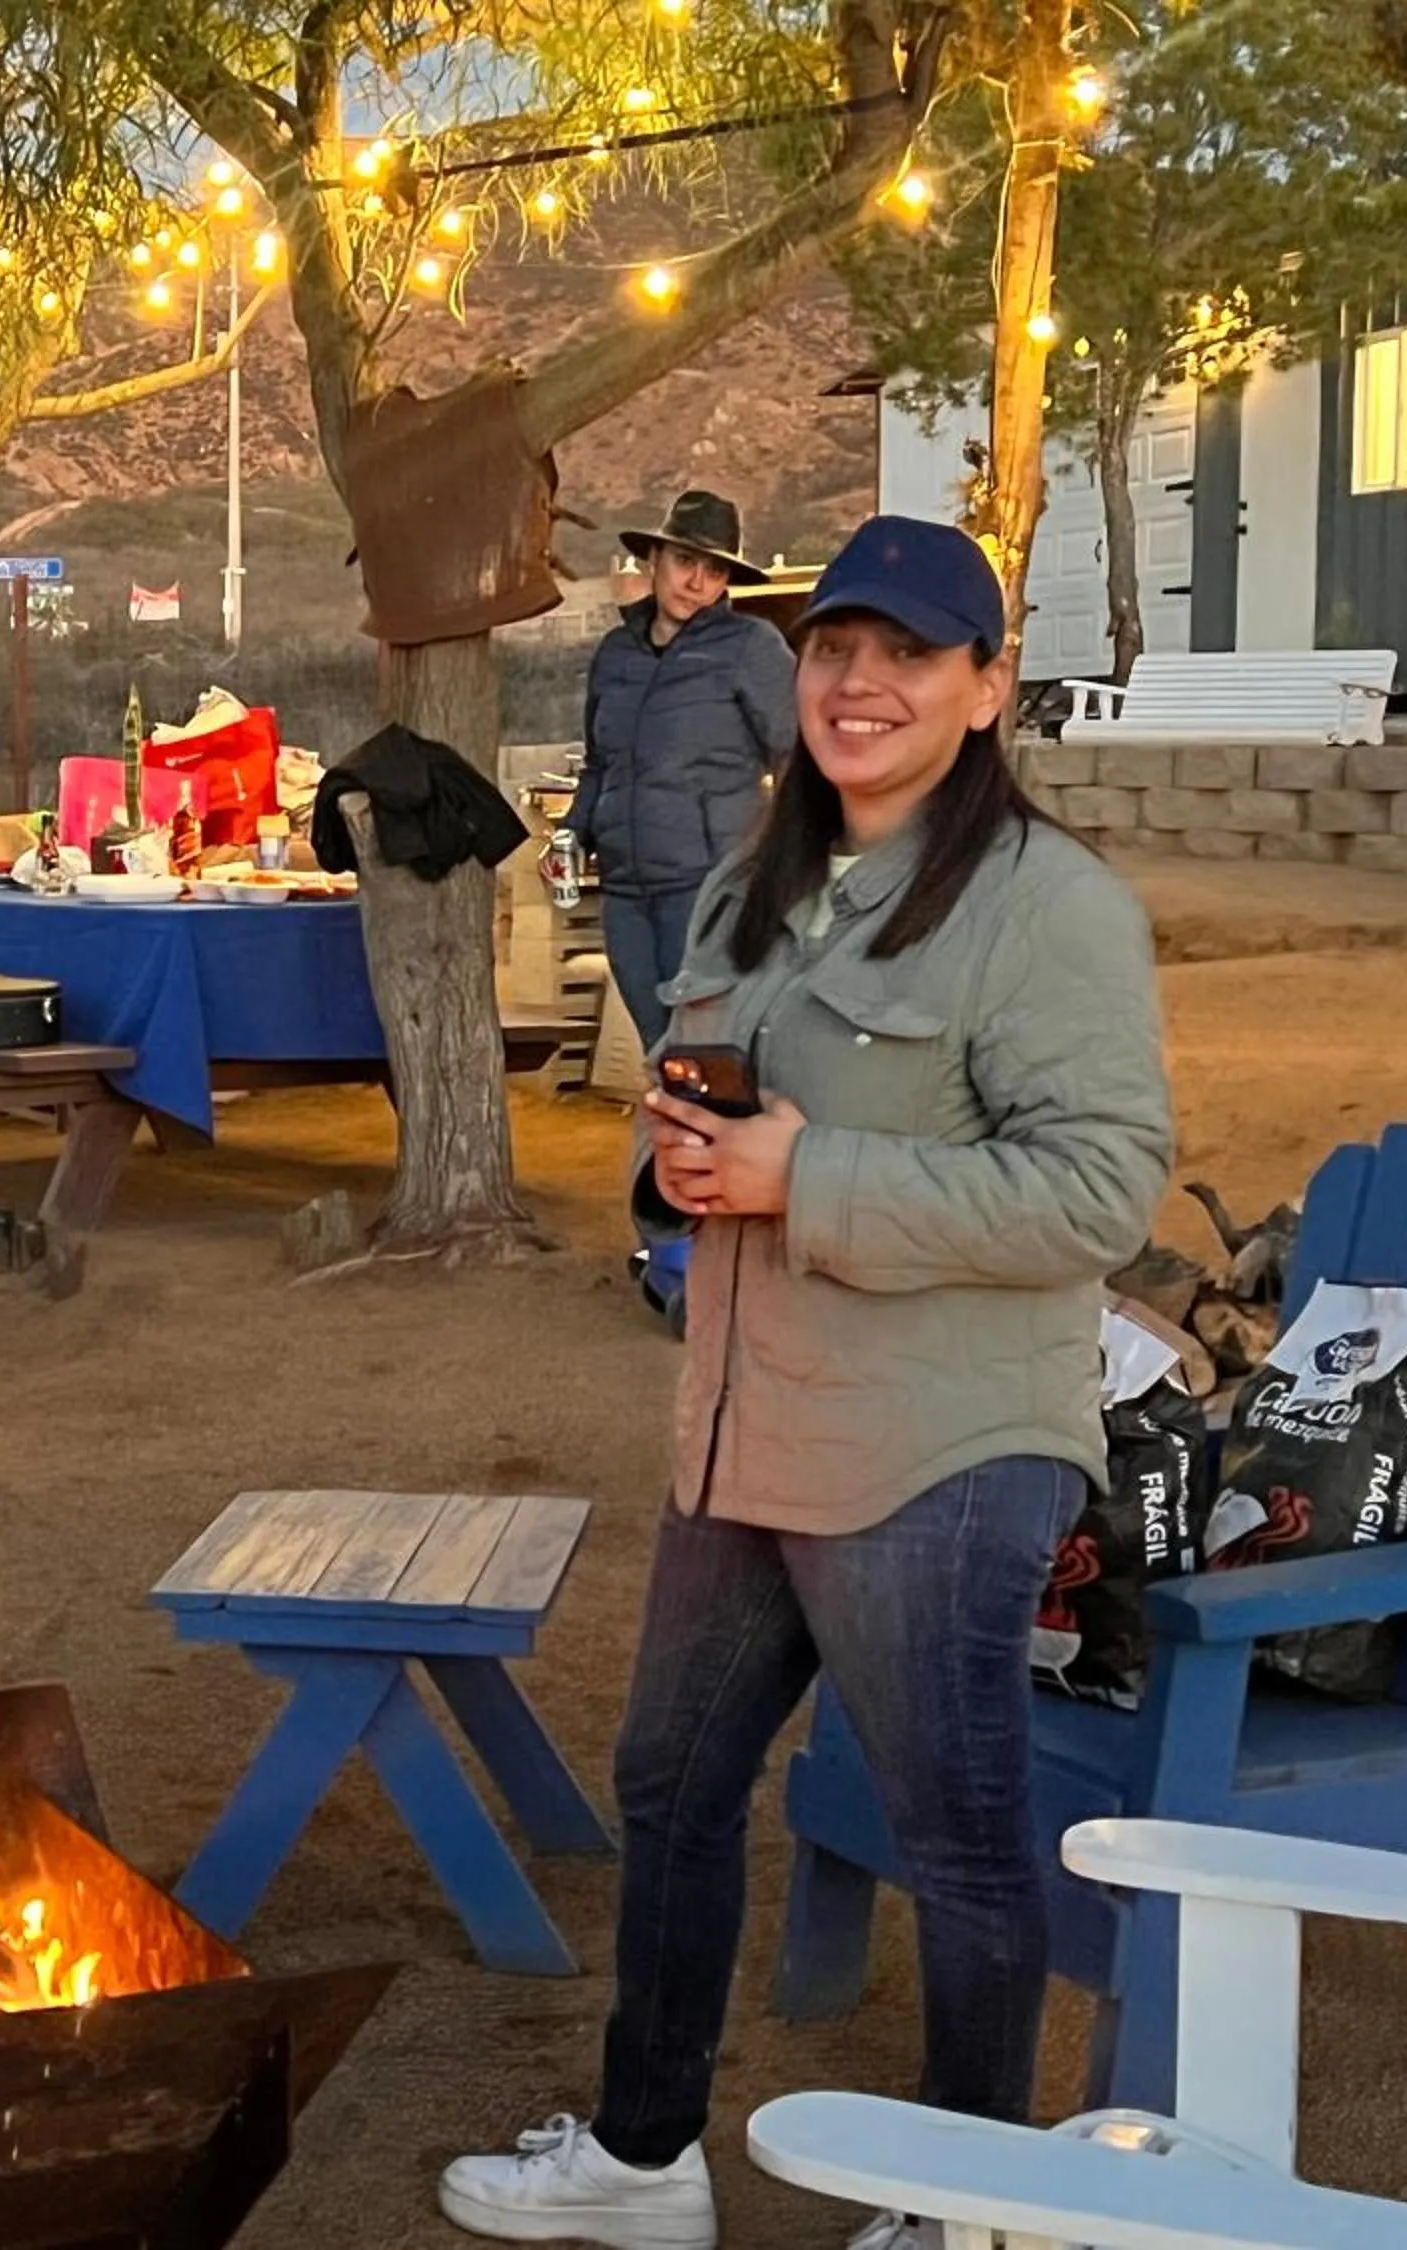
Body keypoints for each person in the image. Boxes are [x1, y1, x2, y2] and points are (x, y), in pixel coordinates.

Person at [440, 515, 1175, 2250]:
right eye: (836, 649)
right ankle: (641, 2161)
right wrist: (685, 1167)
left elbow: (1099, 1192)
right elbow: (716, 1116)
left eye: (909, 655)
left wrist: (805, 1178)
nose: (860, 684)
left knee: (958, 1827)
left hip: (940, 1441)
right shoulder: (751, 880)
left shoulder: (1048, 910)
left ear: (986, 689)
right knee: (672, 1785)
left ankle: (969, 2207)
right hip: (747, 1418)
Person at [558, 489, 798, 1053]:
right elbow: (600, 762)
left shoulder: (751, 648)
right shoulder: (617, 654)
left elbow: (798, 757)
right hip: (624, 894)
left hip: (709, 891)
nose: (697, 582)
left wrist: (787, 869)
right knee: (659, 1052)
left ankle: (727, 1141)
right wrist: (572, 830)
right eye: (686, 561)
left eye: (715, 571)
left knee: (709, 1053)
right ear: (655, 561)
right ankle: (670, 1145)